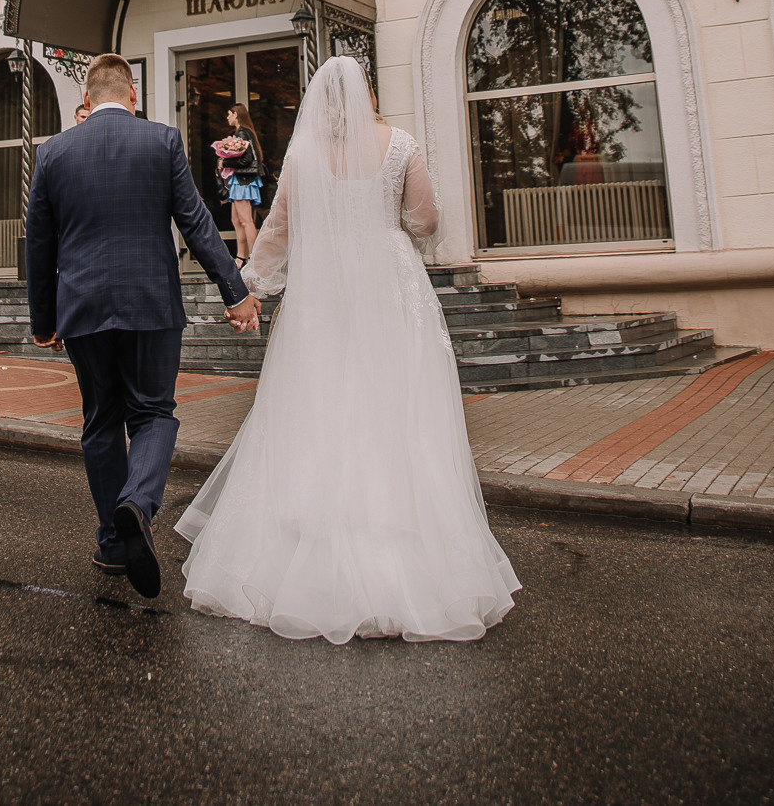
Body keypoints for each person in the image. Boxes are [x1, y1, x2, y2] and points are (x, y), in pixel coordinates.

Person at [176, 55, 520, 644]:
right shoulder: (402, 144)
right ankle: (405, 539)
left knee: (320, 404)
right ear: (367, 94)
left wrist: (248, 291)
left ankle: (310, 545)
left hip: (324, 292)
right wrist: (389, 217)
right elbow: (426, 221)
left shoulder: (305, 155)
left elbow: (278, 231)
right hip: (389, 287)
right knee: (395, 405)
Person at [25, 52, 261, 598]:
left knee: (100, 418)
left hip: (81, 308)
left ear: (85, 101)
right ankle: (138, 502)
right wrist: (236, 293)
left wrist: (44, 319)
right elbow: (198, 223)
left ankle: (112, 541)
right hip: (151, 305)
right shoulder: (162, 141)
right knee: (153, 411)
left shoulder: (54, 153)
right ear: (134, 96)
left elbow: (39, 242)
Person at [211, 102, 265, 265]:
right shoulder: (245, 132)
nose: (227, 117)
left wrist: (225, 163)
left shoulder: (242, 132)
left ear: (236, 114)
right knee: (237, 220)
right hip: (241, 181)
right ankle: (241, 256)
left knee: (245, 220)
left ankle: (253, 258)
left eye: (229, 114)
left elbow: (247, 159)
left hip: (243, 181)